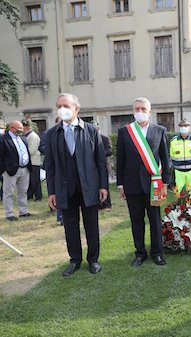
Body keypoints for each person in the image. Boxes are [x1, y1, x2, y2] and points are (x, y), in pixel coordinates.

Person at [44, 93, 108, 276]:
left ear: (76, 109)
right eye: (59, 106)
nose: (61, 109)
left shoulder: (90, 130)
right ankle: (75, 260)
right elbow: (50, 166)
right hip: (65, 188)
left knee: (91, 225)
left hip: (89, 187)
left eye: (65, 105)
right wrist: (52, 192)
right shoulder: (52, 134)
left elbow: (101, 162)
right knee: (70, 226)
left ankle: (93, 260)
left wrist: (103, 186)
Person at [116, 97, 170, 267]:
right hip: (132, 184)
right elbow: (120, 160)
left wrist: (166, 182)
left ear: (149, 112)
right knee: (136, 221)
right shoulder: (125, 132)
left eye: (143, 109)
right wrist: (120, 184)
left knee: (155, 220)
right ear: (133, 111)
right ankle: (140, 253)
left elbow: (165, 158)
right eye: (137, 109)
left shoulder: (160, 130)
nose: (140, 112)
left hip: (154, 184)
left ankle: (157, 253)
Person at [0, 120, 32, 221]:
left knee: (23, 192)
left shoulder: (23, 138)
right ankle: (9, 214)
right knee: (8, 193)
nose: (21, 130)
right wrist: (4, 170)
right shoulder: (3, 139)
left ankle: (23, 211)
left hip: (24, 169)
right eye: (19, 128)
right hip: (10, 171)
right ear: (12, 128)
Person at [39, 117, 63, 225]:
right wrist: (53, 149)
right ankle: (58, 214)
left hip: (67, 167)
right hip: (53, 166)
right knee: (55, 190)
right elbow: (42, 147)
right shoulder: (48, 133)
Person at [170, 119, 191, 191]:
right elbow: (172, 156)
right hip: (179, 171)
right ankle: (180, 202)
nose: (183, 127)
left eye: (186, 126)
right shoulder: (173, 141)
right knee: (179, 191)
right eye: (181, 126)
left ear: (189, 127)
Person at [22, 120, 42, 201]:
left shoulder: (33, 136)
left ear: (26, 127)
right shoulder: (27, 135)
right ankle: (29, 195)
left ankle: (38, 196)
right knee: (29, 180)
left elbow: (32, 150)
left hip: (34, 161)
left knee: (35, 180)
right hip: (29, 161)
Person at [94, 122, 113, 211]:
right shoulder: (90, 139)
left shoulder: (105, 138)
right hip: (93, 167)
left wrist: (100, 154)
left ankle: (106, 204)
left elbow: (109, 150)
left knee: (104, 186)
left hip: (104, 166)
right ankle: (98, 204)